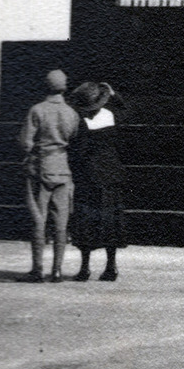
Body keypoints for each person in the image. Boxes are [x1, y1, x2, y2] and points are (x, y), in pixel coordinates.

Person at [17, 69, 79, 282]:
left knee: (38, 220)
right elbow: (73, 137)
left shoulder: (37, 110)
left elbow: (25, 143)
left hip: (40, 168)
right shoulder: (72, 112)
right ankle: (57, 271)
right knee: (61, 222)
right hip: (63, 168)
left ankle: (37, 270)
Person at [67, 82, 127, 282]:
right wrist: (113, 94)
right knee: (110, 219)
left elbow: (78, 152)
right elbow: (124, 109)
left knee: (86, 219)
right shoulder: (112, 116)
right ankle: (111, 266)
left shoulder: (81, 122)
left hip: (88, 175)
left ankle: (85, 268)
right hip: (111, 174)